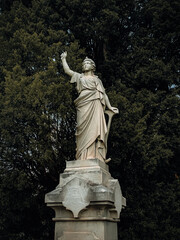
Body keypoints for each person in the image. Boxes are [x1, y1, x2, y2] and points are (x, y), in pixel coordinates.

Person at [61, 51, 118, 162]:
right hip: (82, 105)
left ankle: (96, 156)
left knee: (95, 129)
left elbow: (104, 94)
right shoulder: (79, 77)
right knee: (82, 130)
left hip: (95, 103)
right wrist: (63, 59)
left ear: (93, 67)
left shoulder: (97, 80)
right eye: (83, 63)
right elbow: (67, 71)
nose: (84, 64)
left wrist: (110, 107)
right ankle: (81, 156)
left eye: (87, 63)